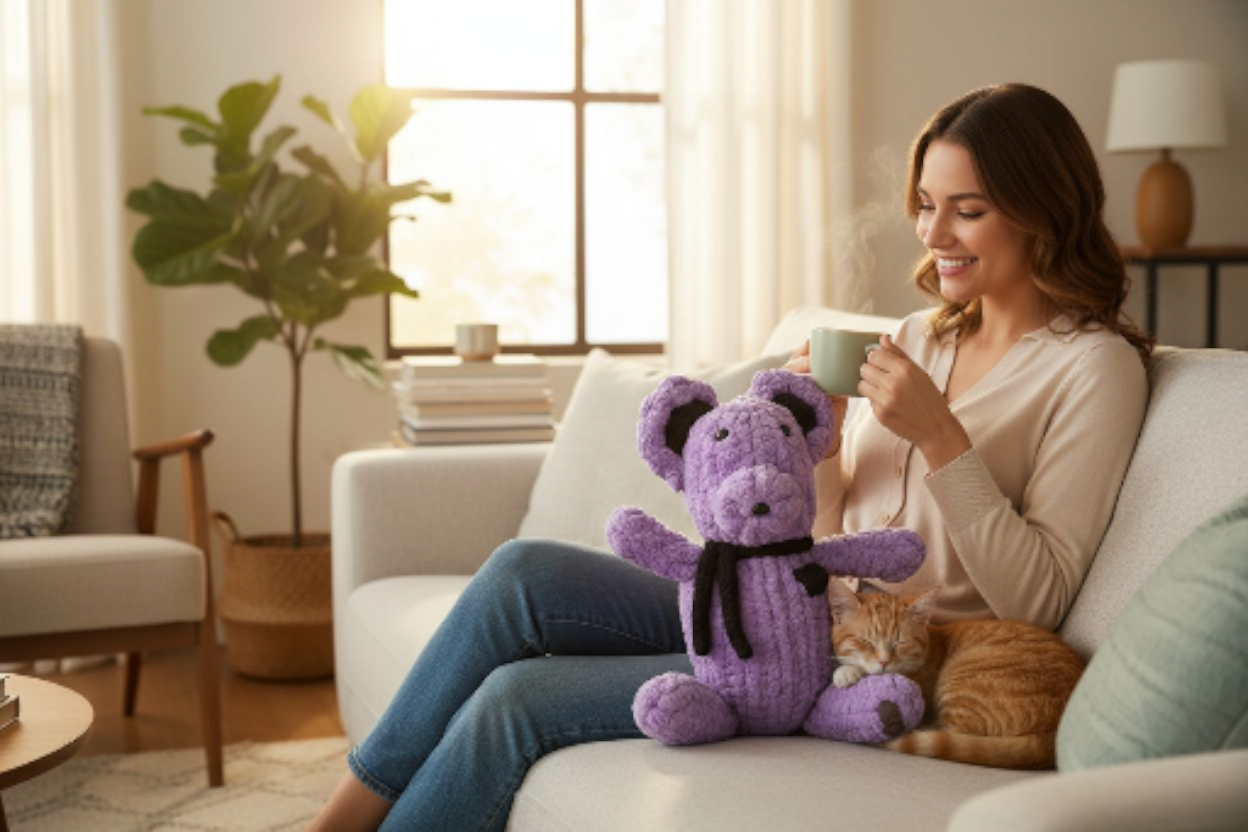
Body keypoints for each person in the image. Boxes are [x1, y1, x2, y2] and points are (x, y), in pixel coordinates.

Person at [308, 83, 1151, 832]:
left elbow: (1040, 598)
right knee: (521, 573)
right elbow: (820, 528)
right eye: (924, 205)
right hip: (781, 597)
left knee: (520, 699)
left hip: (878, 656)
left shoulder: (1093, 368)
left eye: (966, 210)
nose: (933, 235)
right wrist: (808, 439)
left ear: (1044, 208)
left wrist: (941, 436)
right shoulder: (912, 338)